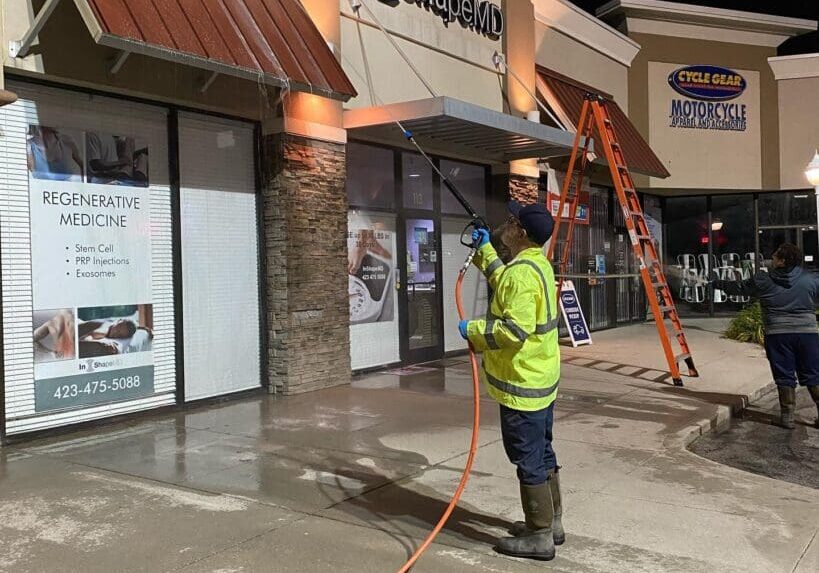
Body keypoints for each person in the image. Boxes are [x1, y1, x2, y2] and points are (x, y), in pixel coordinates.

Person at [458, 201, 562, 561]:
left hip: (522, 386)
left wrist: (472, 331)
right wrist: (486, 250)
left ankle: (539, 535)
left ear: (519, 232)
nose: (507, 223)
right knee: (543, 452)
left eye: (511, 221)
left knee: (528, 458)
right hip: (541, 380)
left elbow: (513, 331)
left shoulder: (522, 273)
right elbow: (506, 283)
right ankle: (552, 523)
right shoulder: (536, 266)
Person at [713, 243, 819, 428]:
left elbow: (739, 288)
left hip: (777, 334)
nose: (772, 259)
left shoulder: (763, 279)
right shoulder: (811, 279)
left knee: (784, 373)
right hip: (807, 333)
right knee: (813, 373)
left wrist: (717, 283)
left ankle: (787, 418)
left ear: (782, 261)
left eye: (775, 256)